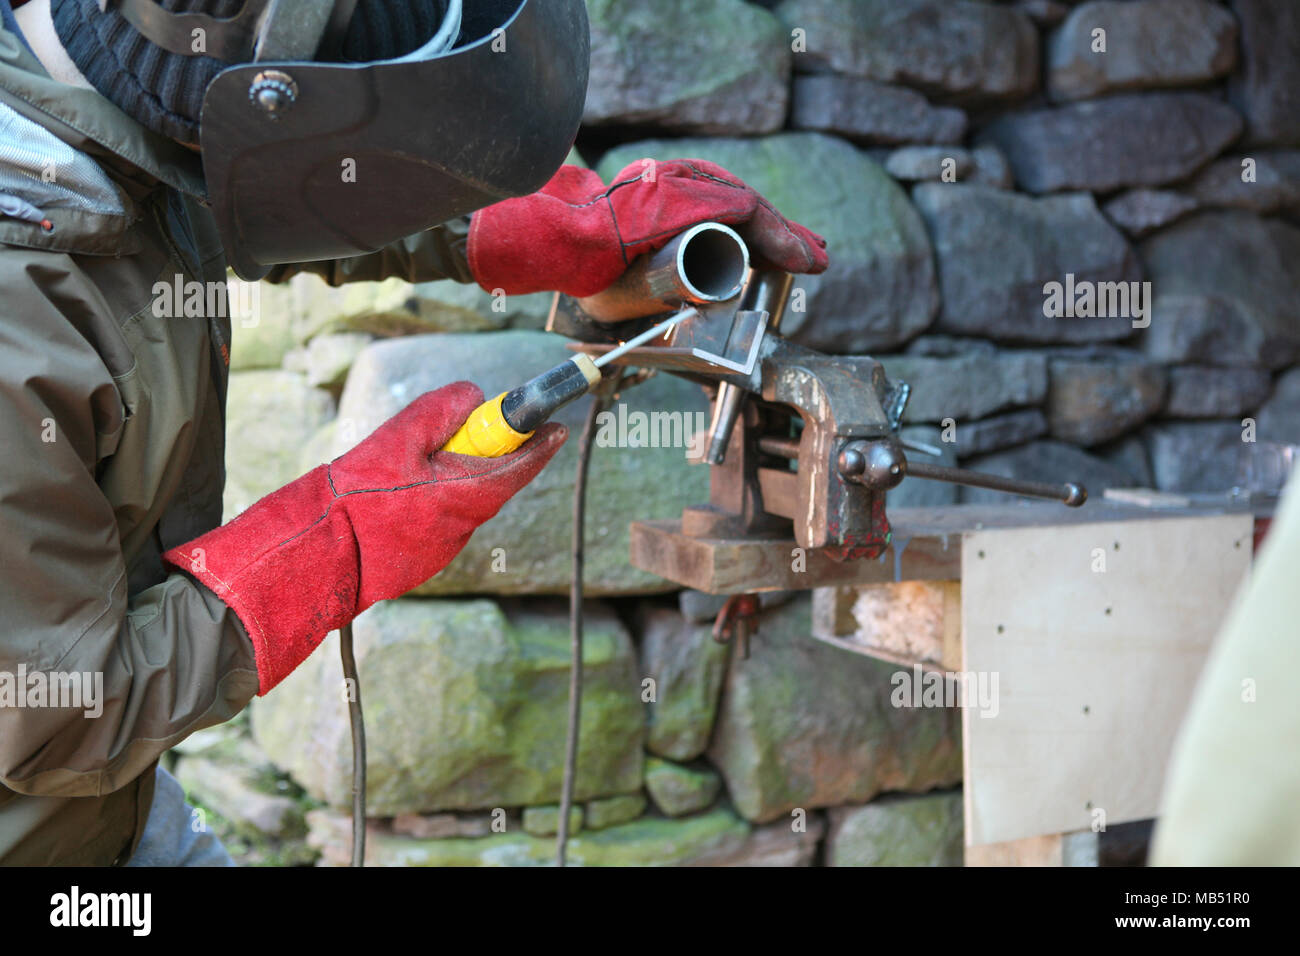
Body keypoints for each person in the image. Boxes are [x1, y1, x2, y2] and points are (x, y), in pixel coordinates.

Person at [0, 0, 828, 865]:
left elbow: (231, 198)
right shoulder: (18, 305)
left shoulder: (99, 113)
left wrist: (517, 223)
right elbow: (62, 722)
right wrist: (340, 533)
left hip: (111, 815)